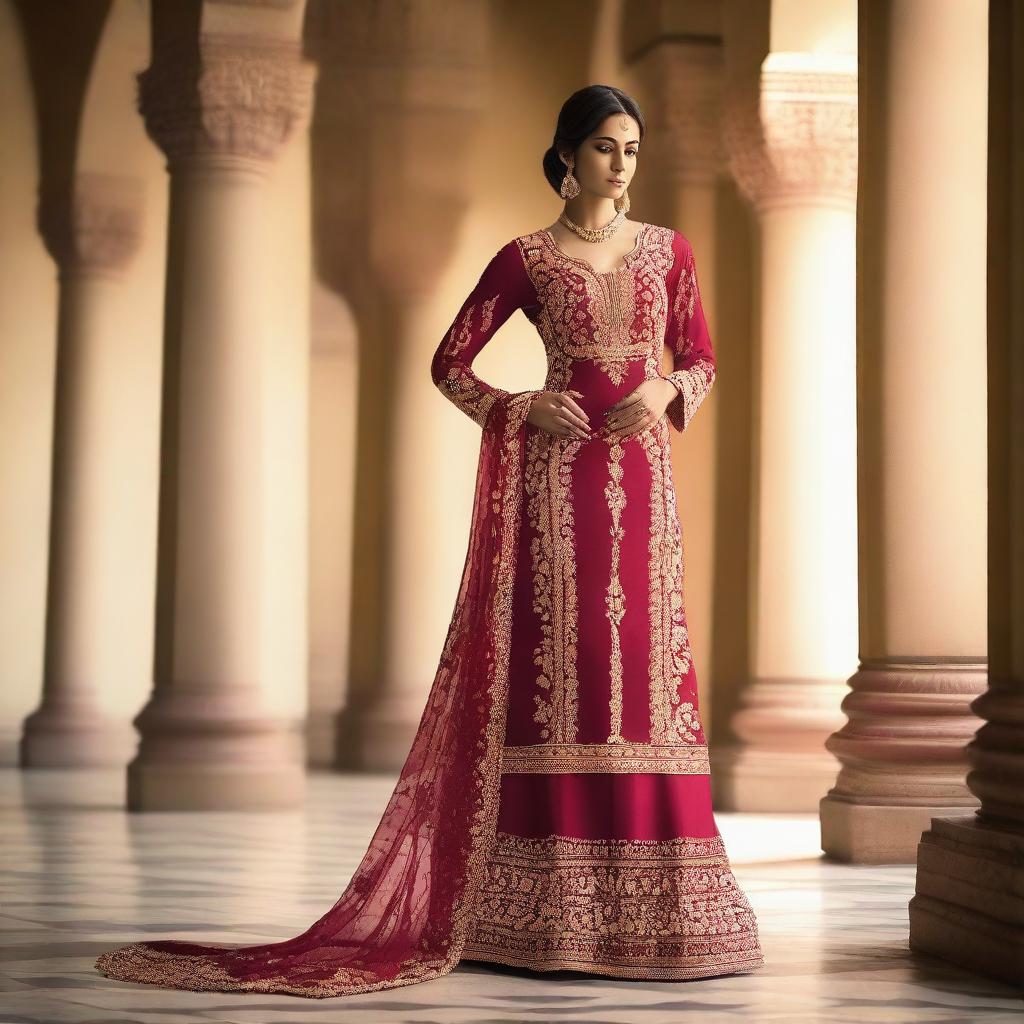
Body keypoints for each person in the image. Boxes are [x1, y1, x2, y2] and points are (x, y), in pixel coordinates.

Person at [94, 84, 764, 998]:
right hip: (556, 494)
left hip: (643, 488)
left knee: (641, 666)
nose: (621, 164)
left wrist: (662, 391)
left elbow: (700, 357)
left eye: (633, 149)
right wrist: (524, 405)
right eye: (606, 147)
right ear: (567, 155)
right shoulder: (526, 259)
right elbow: (451, 363)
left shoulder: (669, 253)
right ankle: (537, 912)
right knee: (563, 666)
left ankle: (665, 909)